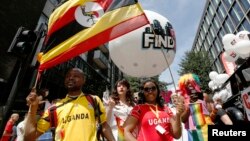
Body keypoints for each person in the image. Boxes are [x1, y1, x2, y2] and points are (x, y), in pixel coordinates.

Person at [24, 68, 115, 141]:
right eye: (68, 76)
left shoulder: (94, 100)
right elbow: (29, 138)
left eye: (76, 76)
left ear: (83, 80)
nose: (70, 78)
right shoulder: (54, 108)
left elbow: (104, 126)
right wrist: (33, 108)